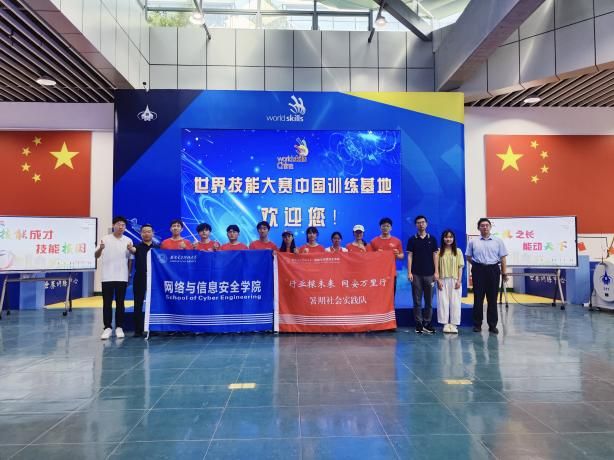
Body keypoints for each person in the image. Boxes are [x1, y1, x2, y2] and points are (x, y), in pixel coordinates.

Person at [465, 218, 508, 334]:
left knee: (492, 299)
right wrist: (476, 265)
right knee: (478, 298)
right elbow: (468, 256)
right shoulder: (473, 242)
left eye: (487, 225)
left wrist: (504, 272)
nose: (485, 227)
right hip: (478, 270)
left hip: (493, 269)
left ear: (490, 227)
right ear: (478, 228)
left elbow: (503, 257)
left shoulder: (498, 241)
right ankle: (477, 324)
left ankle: (492, 325)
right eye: (482, 225)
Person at [95, 216, 133, 340]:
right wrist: (101, 248)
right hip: (107, 276)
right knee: (107, 303)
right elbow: (96, 255)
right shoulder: (105, 239)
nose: (121, 227)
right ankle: (107, 327)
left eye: (123, 225)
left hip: (122, 276)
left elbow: (130, 259)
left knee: (120, 303)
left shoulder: (128, 240)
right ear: (113, 225)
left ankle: (119, 327)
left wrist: (128, 274)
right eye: (118, 224)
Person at [406, 215, 439, 334]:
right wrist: (409, 272)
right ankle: (419, 323)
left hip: (430, 274)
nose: (421, 224)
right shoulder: (412, 239)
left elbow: (435, 255)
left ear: (426, 224)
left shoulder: (432, 239)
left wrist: (436, 272)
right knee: (417, 301)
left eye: (423, 222)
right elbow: (410, 256)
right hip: (416, 275)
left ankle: (427, 323)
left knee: (429, 301)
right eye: (419, 222)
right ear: (416, 225)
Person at [128, 224, 158, 337]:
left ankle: (153, 329)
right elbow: (133, 250)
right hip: (140, 278)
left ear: (153, 233)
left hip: (154, 279)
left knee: (154, 303)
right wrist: (131, 249)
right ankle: (138, 330)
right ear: (141, 234)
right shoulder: (136, 247)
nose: (146, 234)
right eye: (144, 232)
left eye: (149, 231)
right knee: (138, 303)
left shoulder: (158, 248)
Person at [437, 229, 464, 334]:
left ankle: (454, 324)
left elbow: (460, 267)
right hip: (442, 280)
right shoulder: (439, 252)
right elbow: (436, 268)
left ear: (453, 239)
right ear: (443, 238)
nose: (448, 239)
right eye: (446, 237)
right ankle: (445, 324)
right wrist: (438, 280)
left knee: (455, 302)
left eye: (450, 237)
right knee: (443, 302)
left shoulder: (458, 251)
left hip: (455, 280)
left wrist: (459, 280)